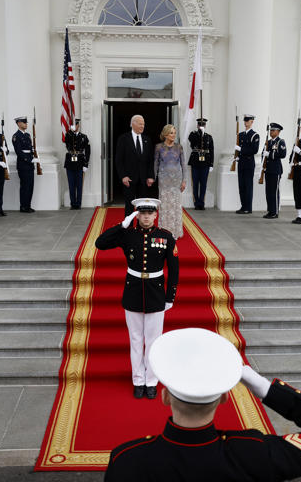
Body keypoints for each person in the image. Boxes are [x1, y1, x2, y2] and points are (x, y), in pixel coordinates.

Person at [105, 328, 301, 481]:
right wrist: (262, 386)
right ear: (226, 397)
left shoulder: (127, 460)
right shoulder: (254, 453)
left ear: (165, 397)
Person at [94, 198, 179, 400]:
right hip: (133, 290)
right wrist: (121, 225)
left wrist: (170, 296)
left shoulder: (165, 237)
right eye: (142, 213)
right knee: (135, 339)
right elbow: (100, 243)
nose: (146, 217)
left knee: (153, 340)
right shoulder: (127, 235)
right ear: (137, 215)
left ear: (156, 215)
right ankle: (138, 379)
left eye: (150, 213)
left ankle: (151, 381)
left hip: (156, 292)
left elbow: (174, 269)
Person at [115, 115, 155, 216]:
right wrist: (123, 176)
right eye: (140, 124)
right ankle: (128, 229)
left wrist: (151, 176)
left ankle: (140, 229)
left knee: (142, 206)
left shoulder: (147, 140)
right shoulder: (123, 139)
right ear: (133, 124)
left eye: (143, 124)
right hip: (129, 179)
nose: (142, 126)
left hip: (143, 179)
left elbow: (150, 160)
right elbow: (119, 160)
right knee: (129, 206)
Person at [154, 124, 186, 238]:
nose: (173, 135)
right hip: (164, 182)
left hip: (176, 182)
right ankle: (164, 231)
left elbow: (183, 165)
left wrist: (184, 181)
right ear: (165, 134)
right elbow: (156, 164)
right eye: (171, 133)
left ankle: (175, 232)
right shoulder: (159, 147)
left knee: (175, 207)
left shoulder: (179, 147)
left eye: (174, 133)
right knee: (165, 207)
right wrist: (153, 178)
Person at [187, 117, 214, 210]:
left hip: (205, 162)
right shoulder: (193, 135)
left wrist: (211, 164)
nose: (201, 126)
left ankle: (201, 203)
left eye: (203, 125)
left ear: (205, 126)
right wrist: (200, 134)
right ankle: (196, 202)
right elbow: (193, 142)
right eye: (200, 125)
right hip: (195, 162)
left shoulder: (209, 137)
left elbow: (211, 151)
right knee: (195, 183)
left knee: (203, 184)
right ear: (197, 125)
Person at [235, 114, 260, 214]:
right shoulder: (240, 135)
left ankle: (248, 207)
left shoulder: (255, 135)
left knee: (248, 185)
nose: (246, 122)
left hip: (249, 163)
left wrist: (241, 149)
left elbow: (254, 150)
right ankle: (243, 206)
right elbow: (238, 149)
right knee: (241, 185)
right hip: (241, 162)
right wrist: (237, 155)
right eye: (245, 120)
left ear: (252, 122)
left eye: (248, 120)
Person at [64, 118, 90, 209]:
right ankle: (73, 204)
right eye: (72, 125)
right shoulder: (68, 135)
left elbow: (87, 151)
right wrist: (71, 132)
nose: (74, 127)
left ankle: (78, 204)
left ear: (78, 125)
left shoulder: (84, 137)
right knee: (71, 184)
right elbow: (67, 141)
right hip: (70, 162)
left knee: (79, 185)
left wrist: (86, 164)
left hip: (80, 162)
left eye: (75, 125)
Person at [262, 122, 287, 219]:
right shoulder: (268, 142)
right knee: (268, 191)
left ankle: (275, 212)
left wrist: (270, 155)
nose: (271, 132)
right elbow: (264, 155)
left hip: (276, 170)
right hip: (268, 170)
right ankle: (270, 210)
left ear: (278, 132)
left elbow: (282, 154)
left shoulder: (280, 142)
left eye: (273, 130)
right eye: (270, 130)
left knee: (274, 191)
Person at [12, 116, 36, 213]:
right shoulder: (16, 136)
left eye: (26, 122)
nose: (26, 124)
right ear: (18, 123)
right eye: (24, 122)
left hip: (30, 164)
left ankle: (28, 205)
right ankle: (23, 206)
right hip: (23, 164)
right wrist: (29, 160)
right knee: (25, 186)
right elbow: (19, 151)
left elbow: (30, 148)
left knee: (30, 185)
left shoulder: (28, 135)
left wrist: (34, 153)